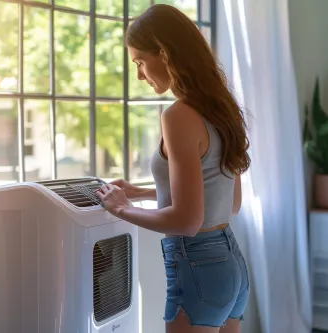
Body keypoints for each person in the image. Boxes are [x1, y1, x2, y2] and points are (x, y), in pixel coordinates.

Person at [95, 4, 250, 333]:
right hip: (231, 265)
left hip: (196, 266)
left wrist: (121, 208)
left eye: (139, 61)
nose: (139, 74)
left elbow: (187, 220)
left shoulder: (178, 116)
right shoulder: (222, 110)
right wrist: (142, 192)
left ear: (163, 54)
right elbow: (226, 200)